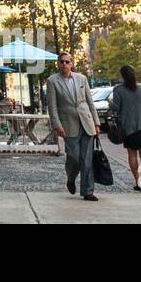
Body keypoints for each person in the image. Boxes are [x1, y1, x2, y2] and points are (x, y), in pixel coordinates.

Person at [46, 51, 101, 201]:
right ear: (58, 64)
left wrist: (96, 122)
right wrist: (57, 125)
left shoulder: (82, 79)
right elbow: (52, 107)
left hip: (87, 122)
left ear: (72, 64)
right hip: (67, 125)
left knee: (87, 159)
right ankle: (71, 178)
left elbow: (90, 102)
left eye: (67, 61)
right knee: (75, 157)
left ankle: (87, 191)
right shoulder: (52, 81)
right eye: (62, 62)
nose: (64, 64)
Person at [110, 64, 141, 191]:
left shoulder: (118, 90)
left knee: (132, 154)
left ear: (122, 76)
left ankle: (138, 181)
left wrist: (110, 102)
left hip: (128, 127)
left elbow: (116, 108)